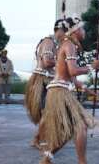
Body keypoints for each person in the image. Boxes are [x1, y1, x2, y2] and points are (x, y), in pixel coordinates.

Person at [39, 16, 99, 164]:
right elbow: (73, 71)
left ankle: (47, 159)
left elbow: (70, 77)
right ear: (76, 30)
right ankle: (82, 162)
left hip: (59, 90)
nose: (84, 31)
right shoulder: (69, 45)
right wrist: (92, 67)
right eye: (82, 28)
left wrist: (87, 89)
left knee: (67, 131)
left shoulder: (66, 45)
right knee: (81, 126)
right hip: (60, 92)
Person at [24, 19, 67, 149]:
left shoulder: (54, 43)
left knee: (49, 112)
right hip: (42, 80)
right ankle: (38, 140)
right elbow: (47, 61)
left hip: (47, 80)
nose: (66, 34)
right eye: (65, 31)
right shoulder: (48, 42)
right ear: (58, 30)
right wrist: (63, 61)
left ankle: (40, 139)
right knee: (47, 112)